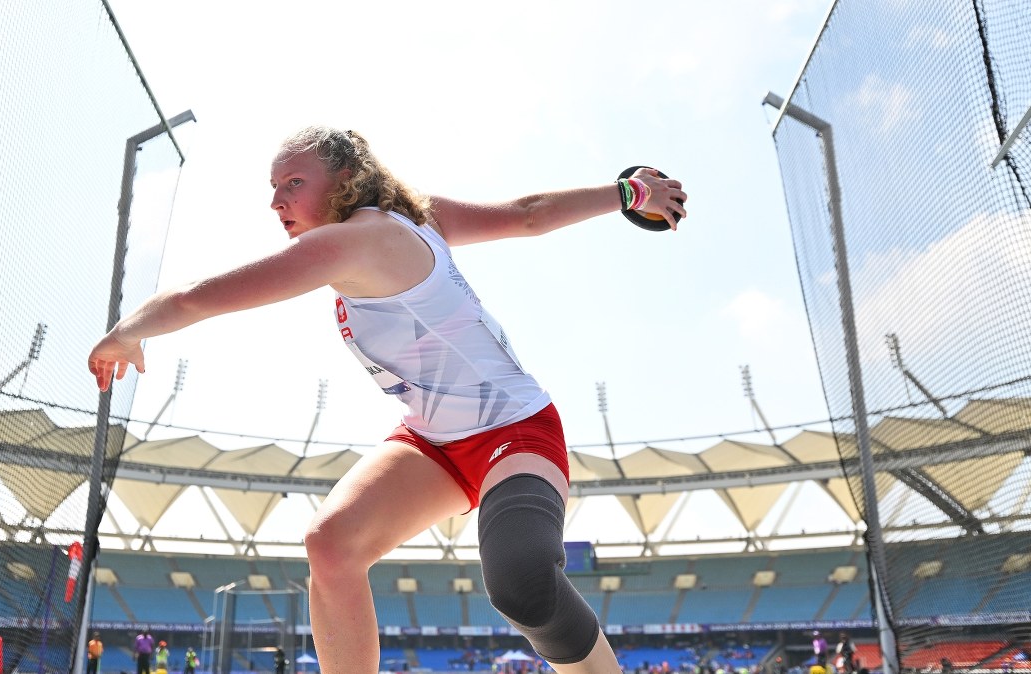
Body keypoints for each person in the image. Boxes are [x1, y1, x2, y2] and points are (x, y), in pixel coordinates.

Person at [89, 126, 687, 673]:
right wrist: (627, 193)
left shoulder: (352, 242)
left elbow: (197, 297)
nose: (277, 202)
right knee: (332, 545)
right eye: (273, 188)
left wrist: (128, 332)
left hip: (515, 428)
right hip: (432, 439)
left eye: (294, 184)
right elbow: (528, 216)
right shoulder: (419, 217)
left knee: (523, 586)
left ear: (346, 180)